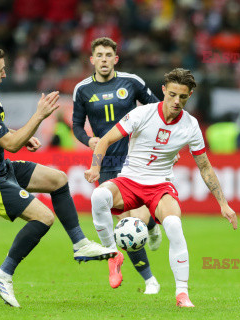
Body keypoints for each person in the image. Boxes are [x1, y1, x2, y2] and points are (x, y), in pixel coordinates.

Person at [0, 47, 116, 308]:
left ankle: (79, 243)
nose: (5, 74)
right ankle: (3, 274)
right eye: (1, 69)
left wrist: (21, 134)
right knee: (44, 218)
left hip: (1, 168)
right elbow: (10, 143)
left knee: (59, 179)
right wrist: (39, 116)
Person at [84, 68, 238, 307]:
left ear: (190, 96)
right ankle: (112, 255)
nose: (177, 101)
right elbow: (104, 140)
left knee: (175, 225)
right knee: (98, 196)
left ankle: (182, 294)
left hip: (159, 185)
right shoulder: (142, 114)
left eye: (183, 97)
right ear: (163, 91)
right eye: (173, 94)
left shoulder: (190, 126)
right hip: (129, 181)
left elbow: (205, 167)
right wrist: (95, 167)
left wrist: (223, 204)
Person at [72, 37, 163, 294]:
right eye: (98, 55)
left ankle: (153, 224)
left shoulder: (131, 82)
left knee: (141, 219)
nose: (103, 59)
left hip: (136, 158)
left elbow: (157, 110)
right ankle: (149, 280)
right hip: (108, 163)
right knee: (125, 224)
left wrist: (163, 143)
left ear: (115, 59)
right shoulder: (82, 90)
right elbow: (77, 125)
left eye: (108, 55)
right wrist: (88, 139)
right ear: (92, 60)